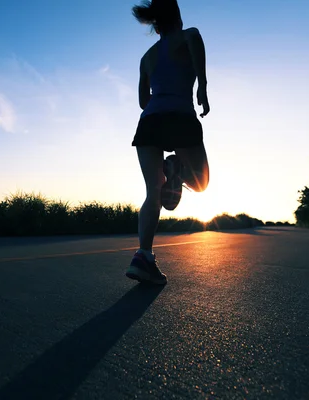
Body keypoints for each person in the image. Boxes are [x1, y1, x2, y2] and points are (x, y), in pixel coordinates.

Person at [125, 0, 210, 285]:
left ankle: (143, 256)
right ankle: (175, 167)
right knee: (201, 183)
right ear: (178, 17)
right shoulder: (188, 35)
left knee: (153, 193)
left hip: (149, 122)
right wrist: (202, 85)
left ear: (156, 24)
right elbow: (196, 42)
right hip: (180, 116)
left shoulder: (146, 57)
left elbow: (141, 102)